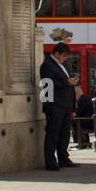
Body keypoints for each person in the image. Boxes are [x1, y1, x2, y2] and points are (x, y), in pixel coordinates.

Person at [40, 42, 79, 170]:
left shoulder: (63, 65)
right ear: (56, 53)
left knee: (64, 134)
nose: (65, 59)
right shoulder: (47, 65)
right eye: (63, 56)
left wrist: (71, 81)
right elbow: (47, 83)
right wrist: (66, 82)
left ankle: (64, 158)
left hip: (65, 104)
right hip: (54, 104)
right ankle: (50, 161)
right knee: (53, 133)